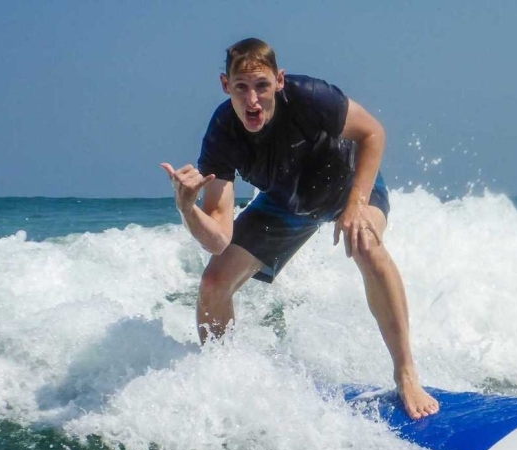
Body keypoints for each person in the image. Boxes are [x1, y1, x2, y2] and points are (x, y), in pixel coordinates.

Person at [160, 38, 438, 420]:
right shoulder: (222, 134)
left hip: (350, 186)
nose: (252, 100)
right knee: (213, 282)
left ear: (279, 80)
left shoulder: (310, 97)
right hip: (285, 205)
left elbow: (373, 133)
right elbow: (219, 238)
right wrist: (187, 208)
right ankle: (221, 383)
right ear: (226, 86)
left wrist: (357, 205)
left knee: (365, 243)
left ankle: (406, 373)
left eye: (261, 85)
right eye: (241, 87)